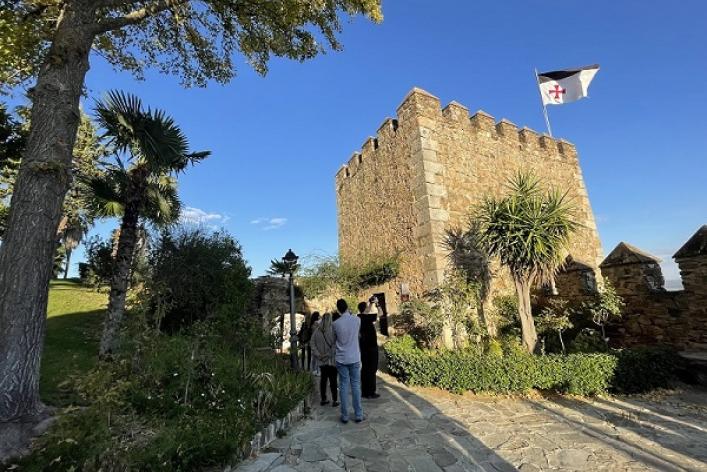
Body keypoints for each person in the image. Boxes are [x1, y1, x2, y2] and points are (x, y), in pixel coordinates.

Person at [332, 299, 363, 424]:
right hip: (354, 357)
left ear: (338, 309)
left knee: (343, 386)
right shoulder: (357, 320)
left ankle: (344, 416)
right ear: (347, 307)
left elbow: (334, 340)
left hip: (341, 358)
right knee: (356, 385)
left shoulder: (335, 324)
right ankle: (358, 414)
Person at [310, 312, 338, 406]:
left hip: (321, 360)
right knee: (333, 380)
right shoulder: (333, 330)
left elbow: (312, 343)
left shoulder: (317, 331)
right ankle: (335, 400)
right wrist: (328, 354)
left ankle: (323, 399)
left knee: (323, 380)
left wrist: (318, 355)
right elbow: (335, 345)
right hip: (331, 360)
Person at [358, 298, 380, 399]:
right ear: (366, 309)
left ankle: (364, 392)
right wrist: (377, 304)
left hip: (363, 347)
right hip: (372, 347)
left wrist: (370, 304)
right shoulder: (367, 318)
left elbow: (365, 312)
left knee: (365, 369)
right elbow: (381, 313)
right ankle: (371, 392)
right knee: (372, 369)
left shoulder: (358, 318)